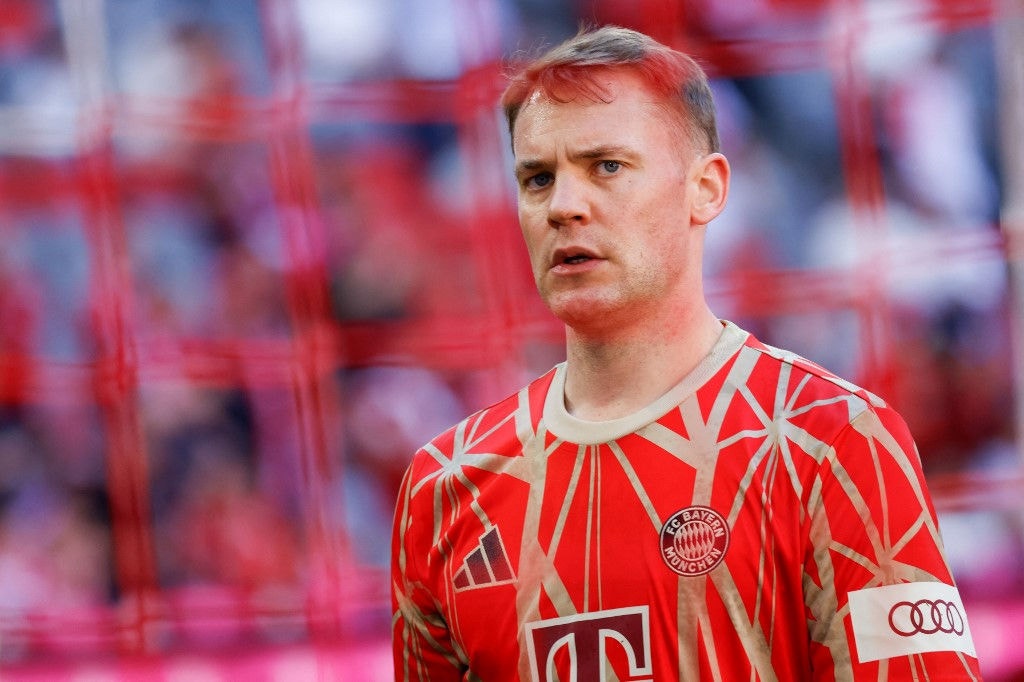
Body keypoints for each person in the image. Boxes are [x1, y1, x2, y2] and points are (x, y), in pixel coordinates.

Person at [390, 25, 982, 681]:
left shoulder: (833, 443)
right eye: (537, 178)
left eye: (606, 167)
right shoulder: (444, 488)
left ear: (706, 190)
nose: (563, 205)